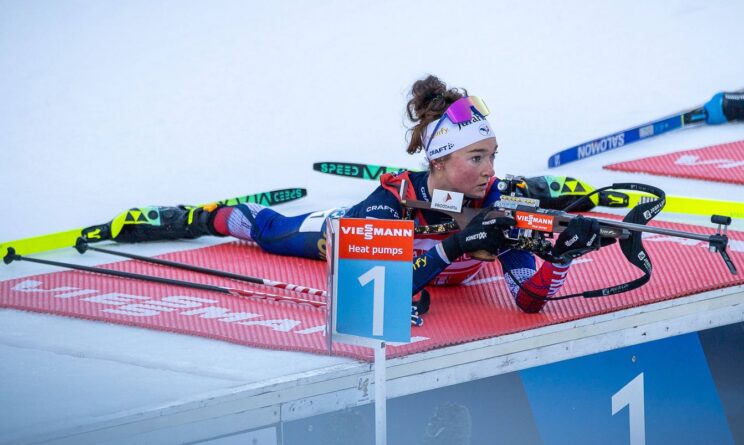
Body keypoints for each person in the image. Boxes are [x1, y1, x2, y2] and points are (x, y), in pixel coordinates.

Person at [101, 75, 605, 314]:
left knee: (518, 201)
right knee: (272, 232)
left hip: (441, 245)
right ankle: (200, 216)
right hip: (345, 231)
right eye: (476, 158)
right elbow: (380, 295)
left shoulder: (495, 202)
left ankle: (542, 192)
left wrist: (561, 258)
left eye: (493, 156)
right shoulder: (390, 202)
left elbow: (529, 301)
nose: (489, 170)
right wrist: (454, 246)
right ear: (437, 161)